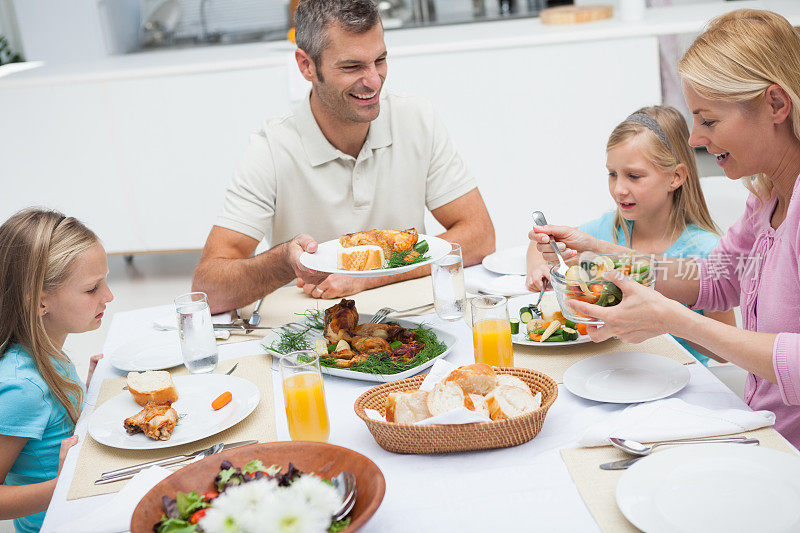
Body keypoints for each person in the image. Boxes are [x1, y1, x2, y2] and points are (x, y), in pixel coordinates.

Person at [531, 10, 800, 447]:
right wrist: (604, 251)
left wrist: (675, 321)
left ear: (775, 104)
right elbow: (713, 281)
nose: (694, 138)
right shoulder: (767, 196)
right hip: (764, 431)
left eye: (708, 120)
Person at [192, 0, 495, 313]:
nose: (374, 80)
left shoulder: (416, 118)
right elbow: (208, 288)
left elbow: (479, 236)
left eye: (380, 60)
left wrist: (368, 277)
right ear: (306, 66)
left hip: (415, 322)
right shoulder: (271, 148)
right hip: (314, 332)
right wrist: (284, 262)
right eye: (352, 67)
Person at [526, 105, 736, 365]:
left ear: (675, 177)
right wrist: (539, 267)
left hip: (679, 380)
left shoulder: (707, 250)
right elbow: (543, 242)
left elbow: (724, 354)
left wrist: (667, 314)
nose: (619, 189)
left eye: (634, 176)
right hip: (613, 369)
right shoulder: (609, 230)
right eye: (612, 174)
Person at [0, 209, 111, 532]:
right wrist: (65, 484)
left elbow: (52, 432)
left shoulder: (47, 350)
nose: (109, 296)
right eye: (92, 289)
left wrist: (87, 391)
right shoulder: (22, 387)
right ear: (39, 304)